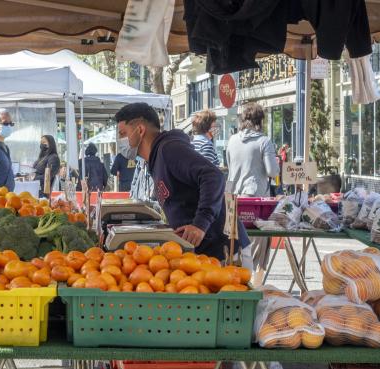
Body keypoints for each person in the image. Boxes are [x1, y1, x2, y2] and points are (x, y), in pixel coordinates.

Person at [114, 102, 250, 263]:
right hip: (204, 254)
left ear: (141, 130)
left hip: (225, 251)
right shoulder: (155, 158)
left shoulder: (169, 149)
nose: (121, 141)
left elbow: (213, 176)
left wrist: (200, 224)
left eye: (123, 134)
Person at [226, 102, 280, 285]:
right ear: (260, 120)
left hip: (233, 200)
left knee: (235, 246)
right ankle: (256, 285)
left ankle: (235, 282)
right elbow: (272, 171)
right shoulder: (264, 141)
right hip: (256, 203)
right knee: (257, 248)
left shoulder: (232, 140)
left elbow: (229, 167)